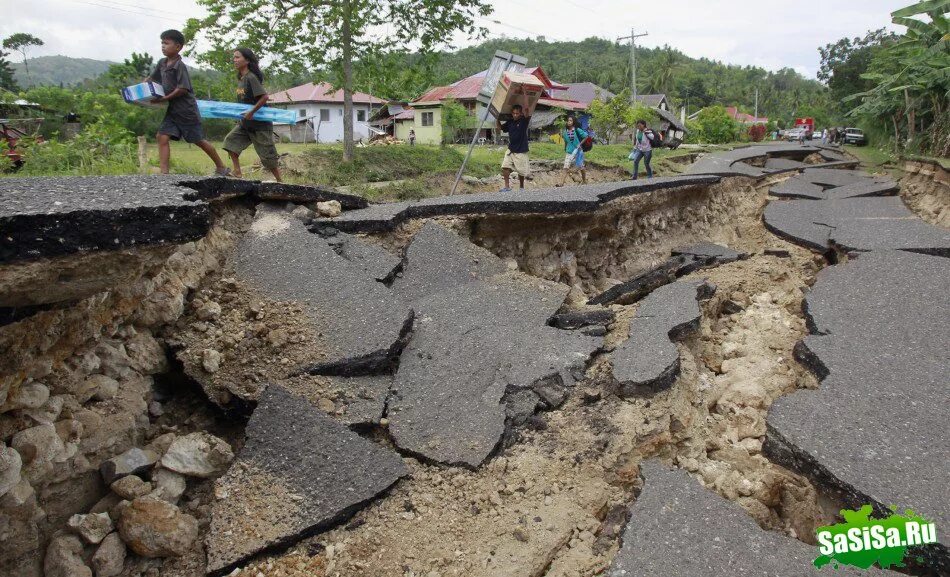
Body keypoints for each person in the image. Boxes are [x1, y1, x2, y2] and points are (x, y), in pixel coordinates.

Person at [149, 29, 228, 175]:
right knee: (162, 136)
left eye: (166, 43)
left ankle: (221, 167)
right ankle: (164, 174)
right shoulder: (162, 63)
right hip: (172, 111)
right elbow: (151, 79)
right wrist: (140, 91)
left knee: (198, 140)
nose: (163, 46)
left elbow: (183, 89)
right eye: (162, 43)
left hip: (186, 111)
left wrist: (164, 98)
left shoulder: (180, 66)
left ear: (178, 47)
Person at [222, 48, 281, 181]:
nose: (234, 60)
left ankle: (280, 181)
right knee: (230, 142)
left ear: (247, 60)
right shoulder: (241, 78)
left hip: (260, 125)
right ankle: (237, 172)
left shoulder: (251, 77)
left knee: (268, 156)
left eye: (237, 57)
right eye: (234, 57)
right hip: (245, 123)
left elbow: (264, 97)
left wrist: (251, 112)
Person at [496, 94, 531, 192]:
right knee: (505, 166)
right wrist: (496, 118)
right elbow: (500, 128)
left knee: (521, 171)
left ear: (520, 113)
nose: (515, 115)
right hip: (511, 149)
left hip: (521, 150)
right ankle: (507, 187)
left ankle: (521, 187)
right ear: (512, 113)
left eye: (517, 113)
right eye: (514, 113)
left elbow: (527, 109)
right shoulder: (510, 122)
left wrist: (524, 92)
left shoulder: (524, 121)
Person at [557, 116, 587, 186]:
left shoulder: (577, 130)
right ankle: (561, 183)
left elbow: (585, 136)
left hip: (578, 152)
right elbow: (566, 142)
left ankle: (584, 180)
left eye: (570, 121)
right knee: (565, 167)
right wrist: (565, 149)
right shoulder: (565, 132)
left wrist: (580, 144)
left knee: (581, 167)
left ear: (574, 122)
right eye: (568, 121)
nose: (569, 122)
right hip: (569, 152)